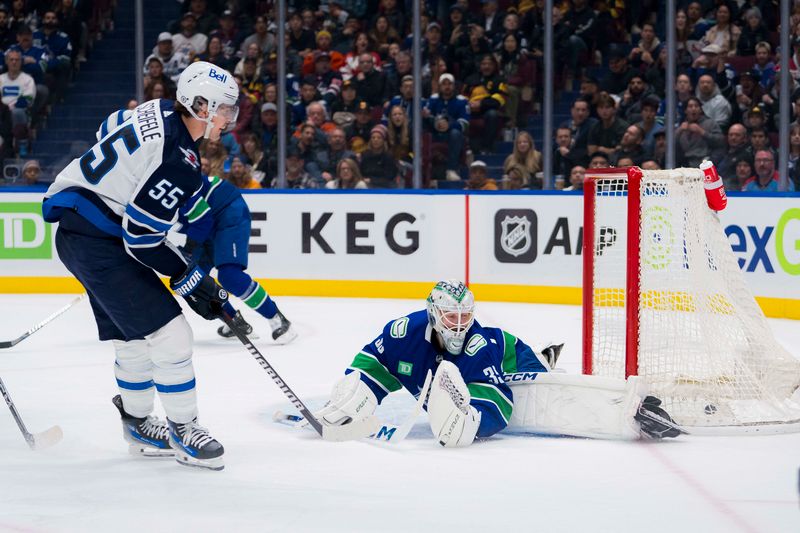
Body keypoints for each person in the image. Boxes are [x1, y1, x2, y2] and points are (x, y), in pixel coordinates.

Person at [41, 61, 240, 471]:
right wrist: (192, 279)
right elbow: (142, 240)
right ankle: (185, 430)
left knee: (133, 340)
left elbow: (108, 128)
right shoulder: (178, 162)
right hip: (100, 243)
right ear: (199, 105)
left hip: (80, 234)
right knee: (172, 334)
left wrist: (123, 182)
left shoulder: (157, 107)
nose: (228, 117)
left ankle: (136, 424)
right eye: (222, 109)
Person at [313, 280, 682, 447]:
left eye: (465, 316)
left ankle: (544, 361)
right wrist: (355, 393)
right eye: (450, 316)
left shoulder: (477, 345)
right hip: (480, 362)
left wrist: (474, 421)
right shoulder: (404, 332)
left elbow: (501, 405)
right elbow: (373, 365)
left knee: (542, 395)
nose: (459, 324)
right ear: (432, 313)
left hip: (508, 355)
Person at [178, 173, 297, 343]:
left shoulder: (166, 182)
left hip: (226, 210)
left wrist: (189, 249)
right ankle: (236, 321)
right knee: (193, 279)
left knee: (230, 276)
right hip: (203, 223)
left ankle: (278, 319)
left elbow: (201, 218)